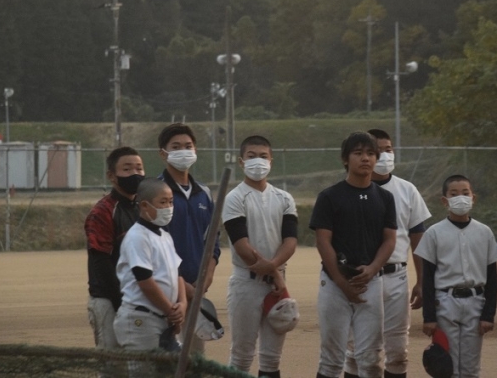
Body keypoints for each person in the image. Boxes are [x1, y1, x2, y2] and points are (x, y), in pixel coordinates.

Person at [344, 129, 431, 378]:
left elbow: (417, 237)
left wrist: (422, 280)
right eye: (377, 151)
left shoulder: (406, 189)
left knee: (397, 350)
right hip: (361, 276)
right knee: (357, 350)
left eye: (388, 149)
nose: (384, 155)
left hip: (396, 275)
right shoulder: (347, 191)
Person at [310, 131, 397, 378]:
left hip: (370, 282)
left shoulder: (385, 198)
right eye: (358, 153)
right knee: (331, 360)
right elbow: (323, 241)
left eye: (370, 153)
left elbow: (389, 240)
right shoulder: (329, 196)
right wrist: (341, 281)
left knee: (371, 360)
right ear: (345, 159)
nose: (365, 158)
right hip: (335, 284)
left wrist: (373, 268)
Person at [221, 135, 298, 378]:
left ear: (271, 160)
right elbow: (241, 245)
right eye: (251, 156)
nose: (258, 161)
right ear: (241, 161)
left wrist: (274, 269)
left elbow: (290, 241)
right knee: (241, 355)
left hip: (276, 284)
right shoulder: (235, 198)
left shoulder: (284, 198)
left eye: (263, 156)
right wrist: (275, 273)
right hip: (247, 282)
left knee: (271, 357)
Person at [415, 174, 497, 377]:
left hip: (475, 301)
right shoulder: (434, 233)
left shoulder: (484, 232)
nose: (460, 198)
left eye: (465, 193)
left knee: (471, 367)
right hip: (445, 302)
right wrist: (429, 317)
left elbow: (492, 277)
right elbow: (428, 278)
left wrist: (488, 314)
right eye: (454, 194)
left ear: (473, 198)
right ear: (444, 200)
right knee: (447, 366)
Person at [157, 122, 220, 354]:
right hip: (164, 290)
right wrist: (180, 284)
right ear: (163, 153)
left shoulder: (204, 193)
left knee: (194, 358)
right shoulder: (155, 192)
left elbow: (212, 240)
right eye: (176, 147)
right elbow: (153, 245)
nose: (183, 151)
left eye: (188, 146)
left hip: (196, 289)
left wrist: (206, 278)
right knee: (166, 358)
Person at [113, 178, 186, 351]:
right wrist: (171, 311)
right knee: (145, 366)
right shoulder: (137, 237)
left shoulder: (164, 236)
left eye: (171, 202)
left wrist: (182, 304)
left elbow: (177, 274)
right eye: (163, 202)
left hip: (163, 317)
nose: (168, 207)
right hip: (142, 319)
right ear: (145, 205)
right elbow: (145, 281)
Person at [84, 146, 145, 349]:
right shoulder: (103, 212)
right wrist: (122, 301)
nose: (135, 174)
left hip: (139, 298)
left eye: (139, 168)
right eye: (127, 169)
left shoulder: (145, 208)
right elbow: (101, 263)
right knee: (113, 361)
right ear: (111, 176)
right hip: (109, 300)